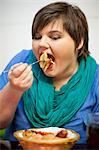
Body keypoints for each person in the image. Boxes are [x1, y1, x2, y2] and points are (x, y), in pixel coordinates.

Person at [0, 1, 99, 144]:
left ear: (79, 42)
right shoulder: (22, 61)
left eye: (54, 37)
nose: (41, 44)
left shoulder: (95, 78)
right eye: (37, 37)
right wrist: (14, 89)